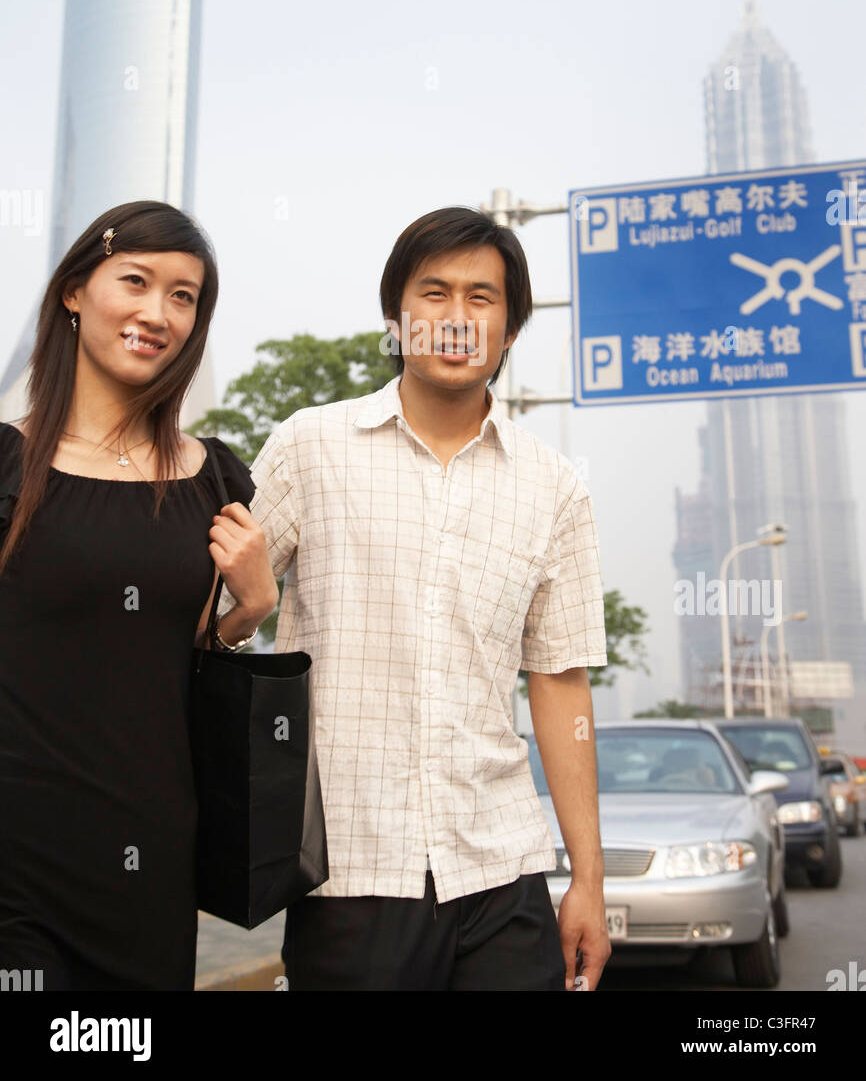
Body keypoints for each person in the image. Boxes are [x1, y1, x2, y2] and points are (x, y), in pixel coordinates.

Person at [217, 205, 611, 991]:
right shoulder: (309, 446)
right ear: (397, 317)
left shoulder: (554, 487)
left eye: (482, 297)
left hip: (503, 868)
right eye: (433, 294)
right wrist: (246, 615)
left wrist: (588, 882)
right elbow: (211, 617)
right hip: (351, 875)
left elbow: (561, 682)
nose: (456, 318)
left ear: (510, 326)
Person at [0, 201, 278, 991]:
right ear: (75, 291)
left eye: (185, 297)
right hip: (15, 861)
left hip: (151, 862)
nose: (158, 313)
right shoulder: (6, 464)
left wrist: (247, 614)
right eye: (137, 281)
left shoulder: (216, 478)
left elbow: (177, 666)